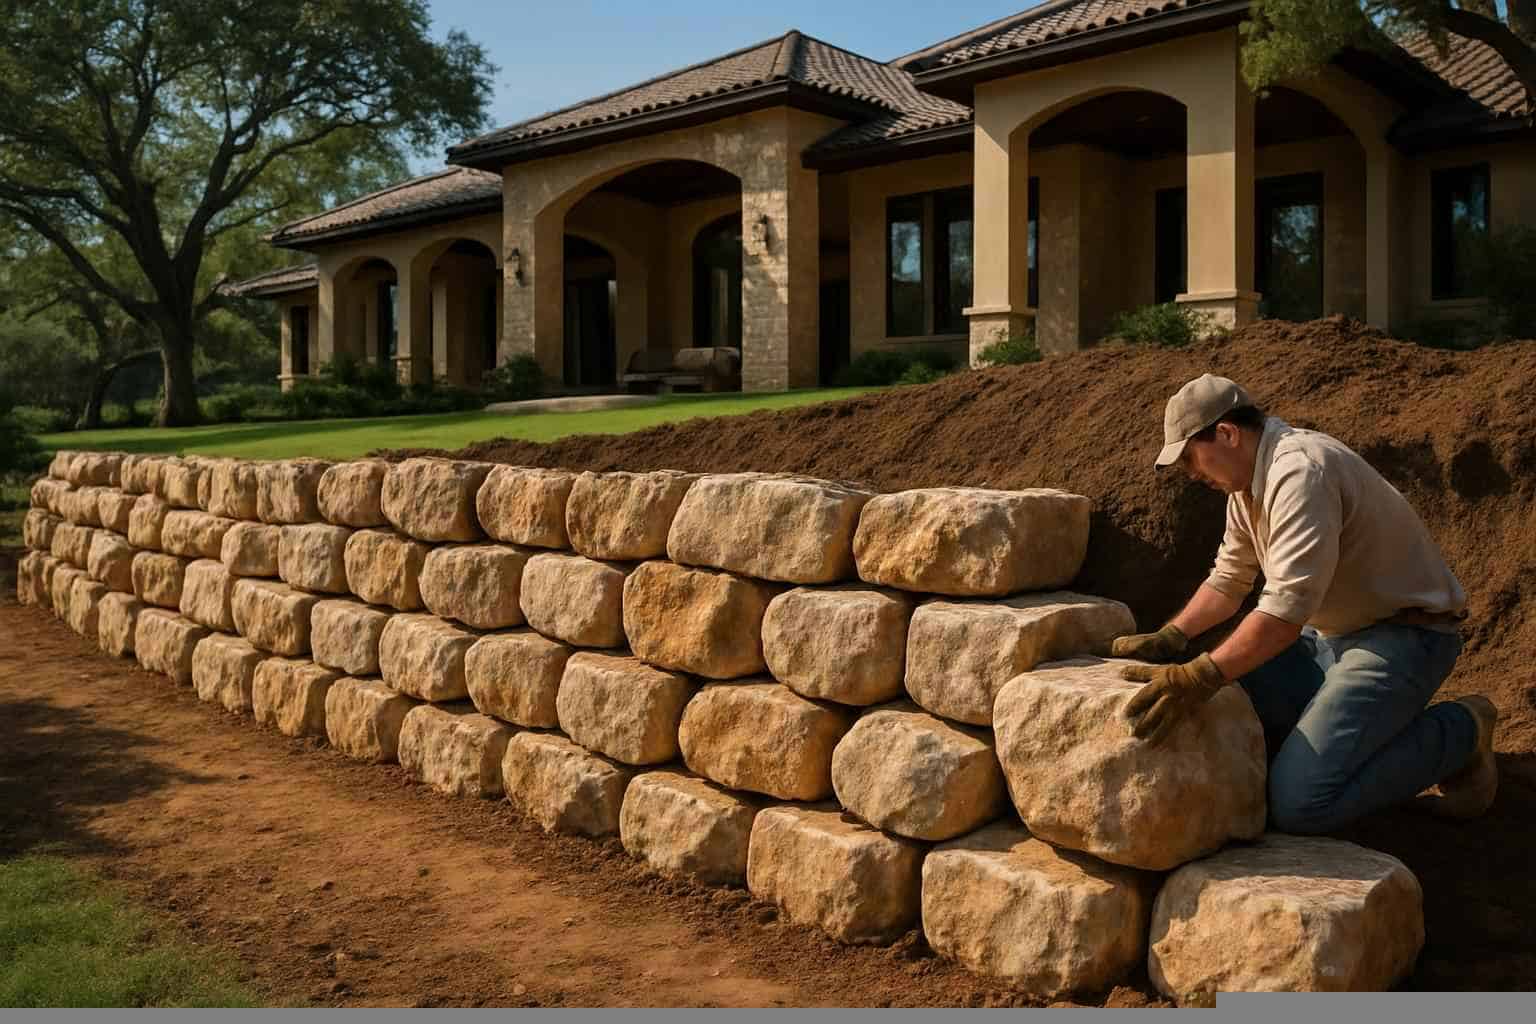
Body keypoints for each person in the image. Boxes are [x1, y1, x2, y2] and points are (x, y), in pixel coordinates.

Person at [1111, 373, 1497, 833]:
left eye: (1191, 457)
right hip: (1328, 637)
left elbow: (1284, 613)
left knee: (1301, 803)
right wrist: (1173, 636)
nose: (1191, 473)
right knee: (1236, 708)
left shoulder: (1299, 473)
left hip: (1404, 638)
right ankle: (1354, 730)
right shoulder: (1246, 488)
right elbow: (1229, 580)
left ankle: (1463, 730)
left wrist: (1200, 675)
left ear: (1227, 433)